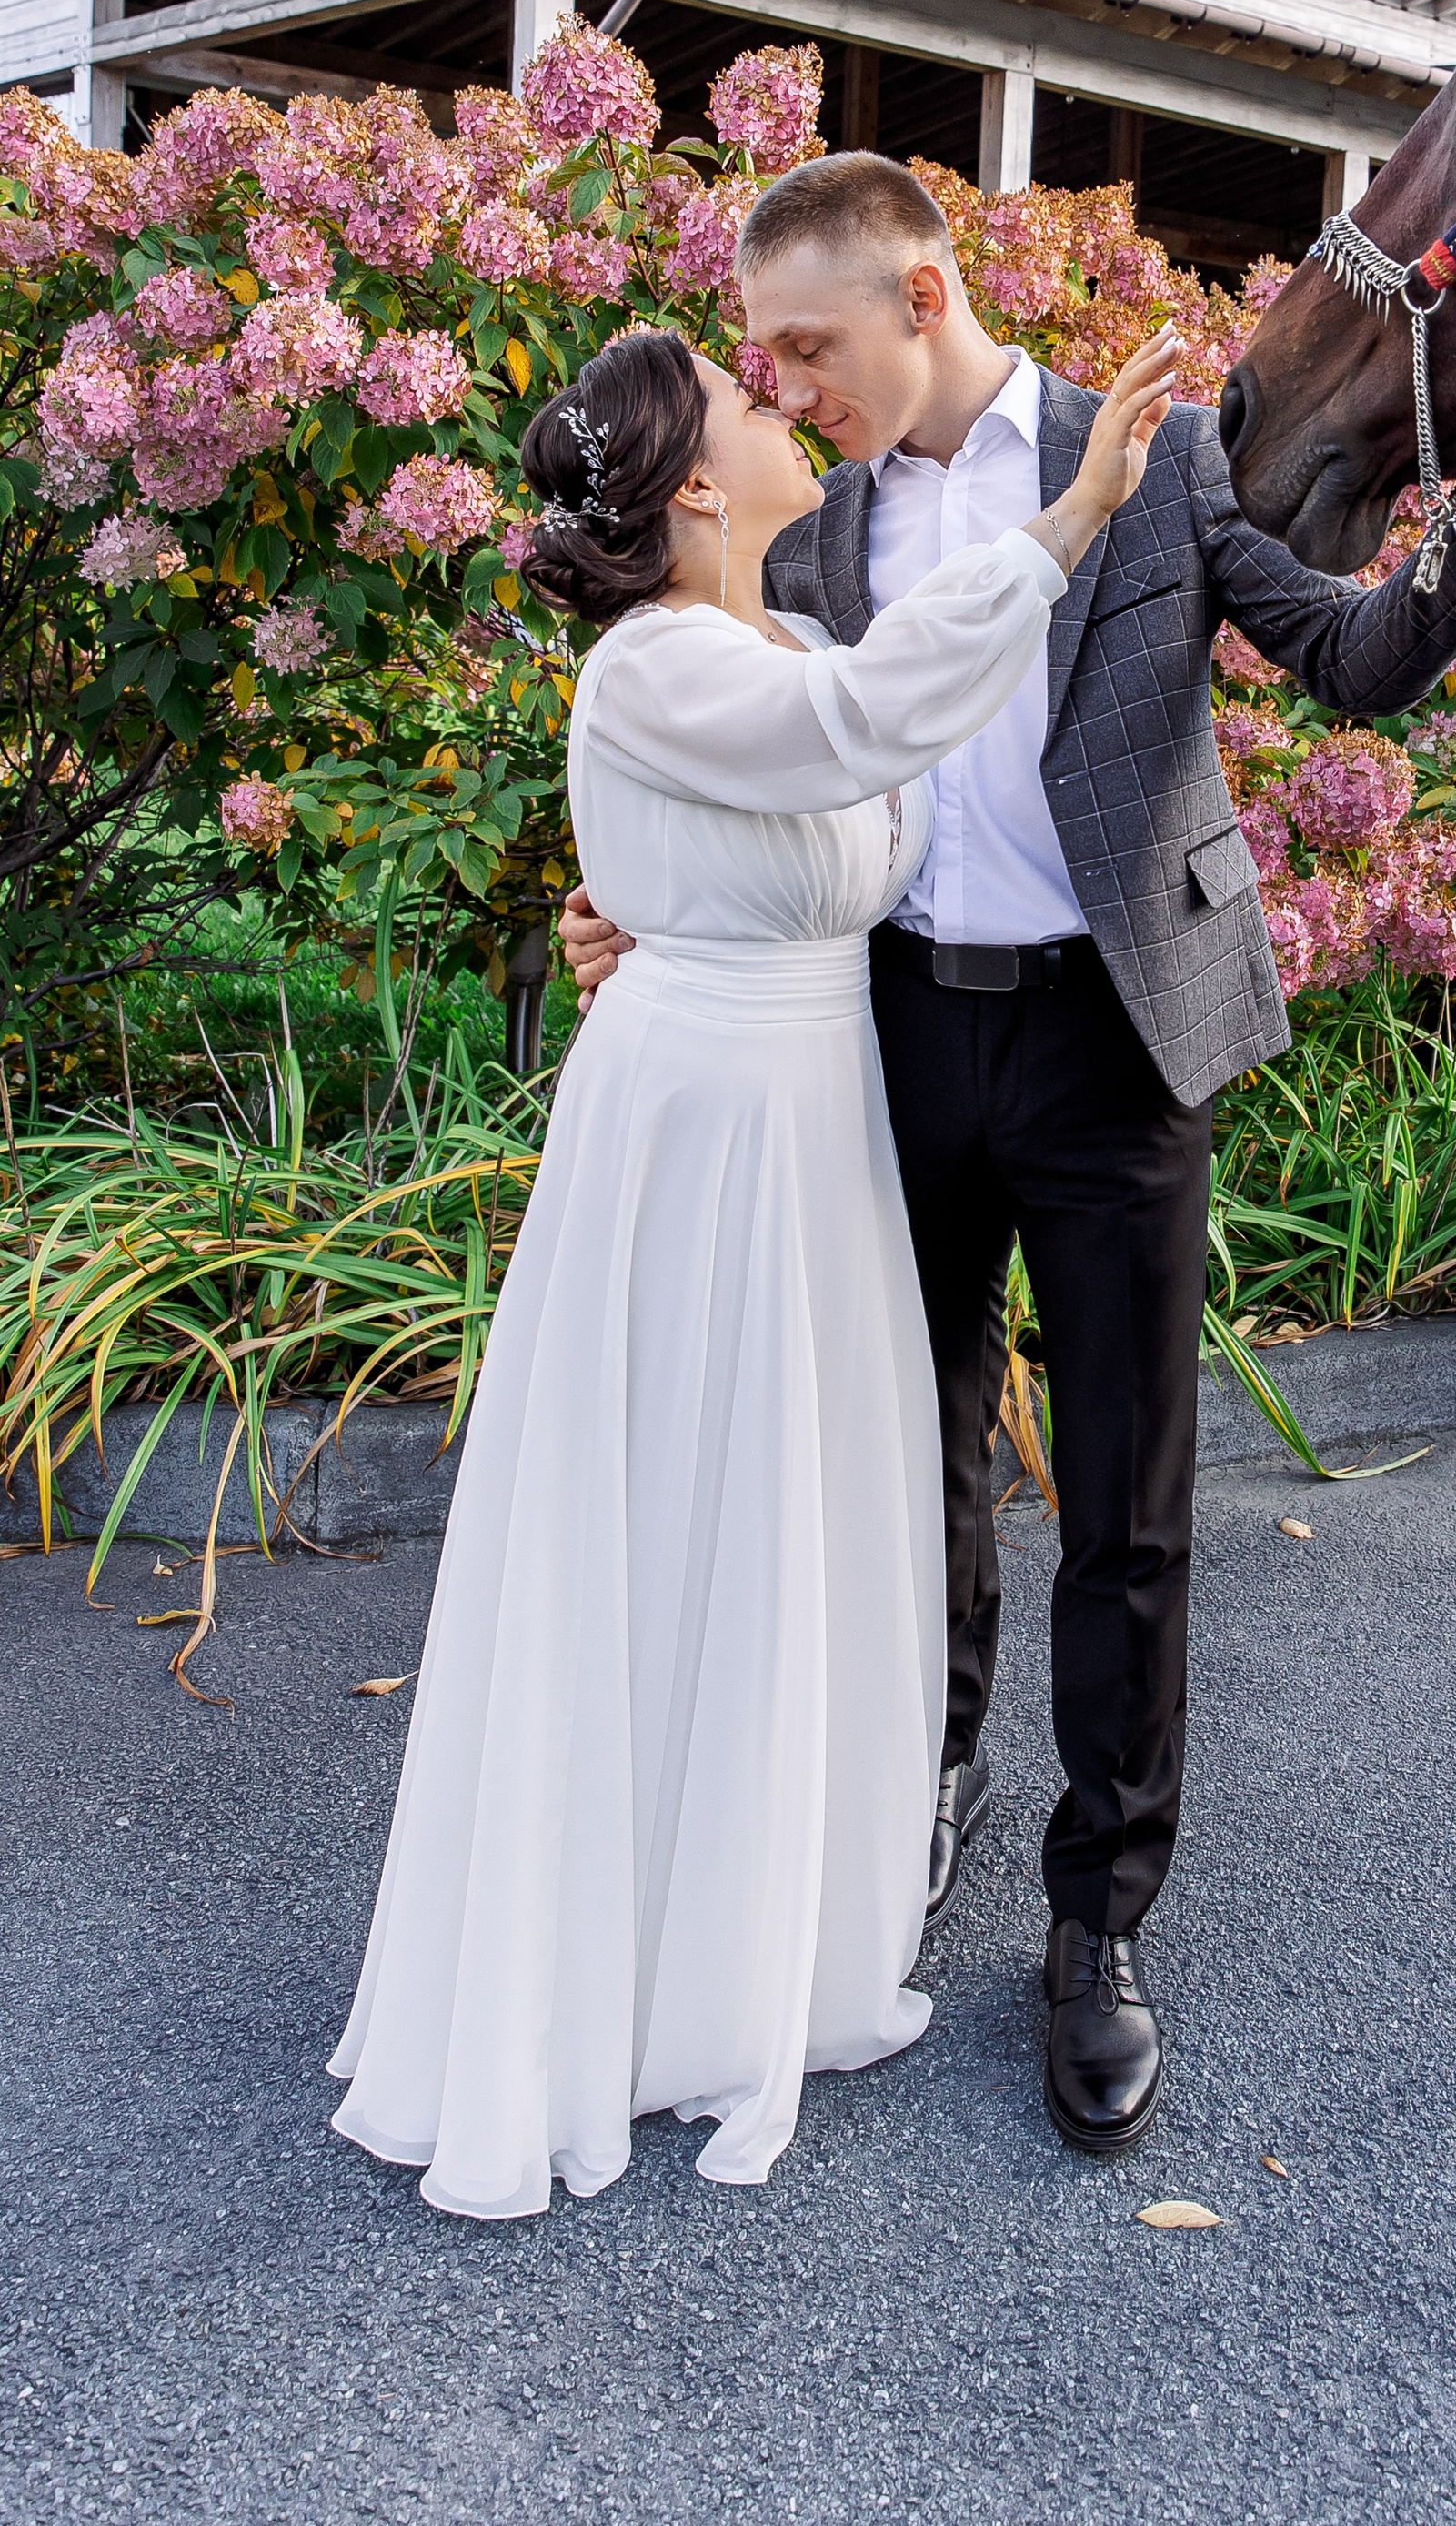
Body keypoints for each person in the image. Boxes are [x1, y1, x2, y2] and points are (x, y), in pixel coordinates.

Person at [560, 155, 1456, 2156]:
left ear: (920, 293)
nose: (781, 382)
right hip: (888, 1028)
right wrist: (653, 915)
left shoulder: (1148, 454)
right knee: (898, 1459)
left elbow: (1341, 653)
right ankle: (910, 1801)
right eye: (761, 358)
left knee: (1126, 1496)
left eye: (805, 344)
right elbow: (756, 762)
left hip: (1114, 1046)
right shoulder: (807, 529)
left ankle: (1095, 1916)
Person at [328, 315, 1180, 2218]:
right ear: (697, 483)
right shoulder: (654, 666)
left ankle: (752, 1932)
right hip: (698, 1135)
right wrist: (1063, 524)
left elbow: (826, 789)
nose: (783, 405)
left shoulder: (783, 629)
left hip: (817, 1118)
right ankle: (612, 1967)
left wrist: (641, 900)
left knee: (784, 1523)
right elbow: (857, 736)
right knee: (667, 1524)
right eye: (742, 401)